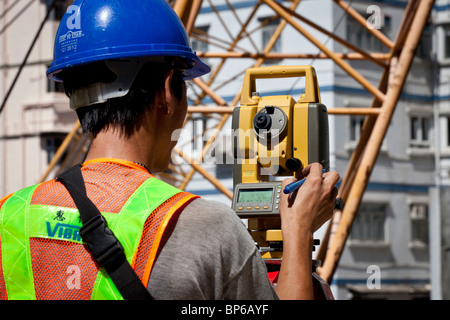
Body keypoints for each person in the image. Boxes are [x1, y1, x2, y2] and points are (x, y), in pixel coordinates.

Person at [0, 0, 339, 300]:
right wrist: (298, 232)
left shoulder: (9, 215)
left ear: (75, 94)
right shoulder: (203, 227)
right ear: (166, 91)